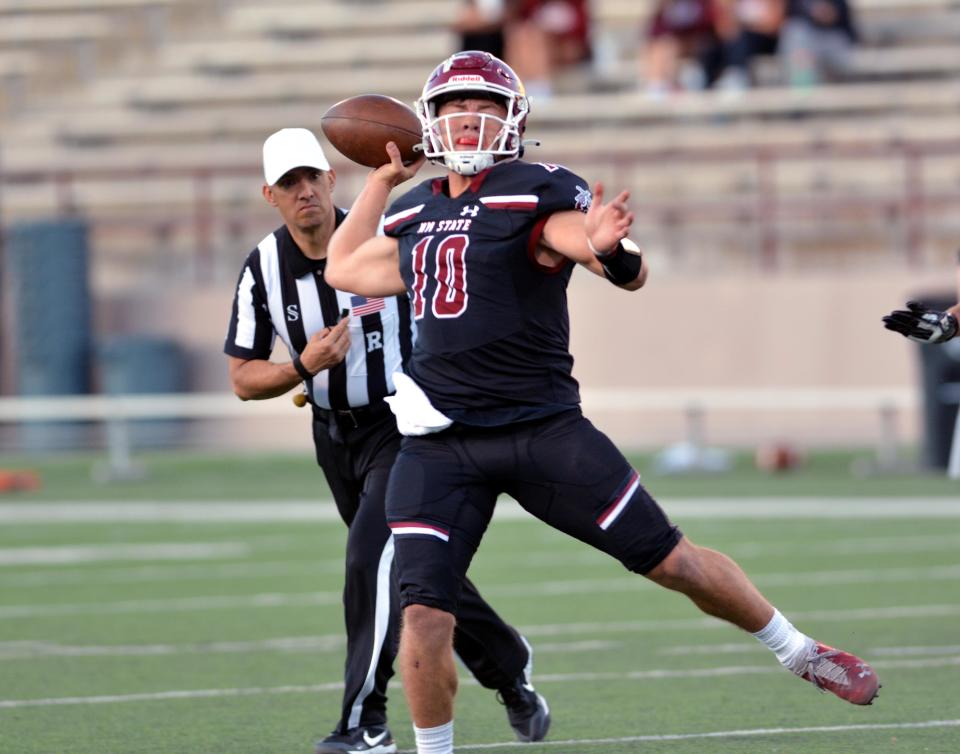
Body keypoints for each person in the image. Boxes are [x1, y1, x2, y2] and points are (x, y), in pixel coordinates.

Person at [326, 50, 881, 754]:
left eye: (488, 105)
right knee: (426, 617)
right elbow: (345, 266)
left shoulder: (536, 189)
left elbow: (606, 257)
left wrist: (606, 246)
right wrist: (379, 179)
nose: (471, 118)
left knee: (672, 562)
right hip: (441, 445)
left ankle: (800, 650)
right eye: (455, 106)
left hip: (541, 431)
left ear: (515, 119)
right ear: (429, 122)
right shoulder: (413, 211)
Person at [223, 127, 551, 754]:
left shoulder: (384, 235)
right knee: (411, 580)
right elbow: (242, 377)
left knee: (366, 563)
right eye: (288, 184)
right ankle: (507, 662)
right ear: (270, 195)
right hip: (335, 437)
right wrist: (302, 367)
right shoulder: (263, 267)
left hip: (404, 428)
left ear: (331, 179)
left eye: (310, 178)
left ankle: (362, 722)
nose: (303, 193)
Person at [779, 0, 858, 88]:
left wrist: (829, 13)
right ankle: (804, 85)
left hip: (836, 43)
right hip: (806, 45)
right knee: (795, 31)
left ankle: (807, 85)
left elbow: (845, 24)